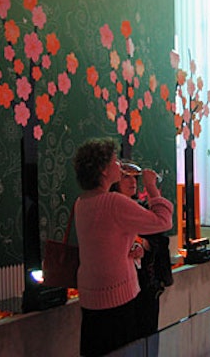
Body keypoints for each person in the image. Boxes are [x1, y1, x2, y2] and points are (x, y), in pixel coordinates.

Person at [73, 138, 173, 357]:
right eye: (114, 160)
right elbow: (163, 221)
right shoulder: (113, 202)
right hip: (117, 296)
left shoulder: (81, 202)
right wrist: (151, 187)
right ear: (103, 170)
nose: (119, 164)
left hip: (90, 296)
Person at [111, 161, 173, 344]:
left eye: (134, 178)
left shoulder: (141, 207)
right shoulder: (110, 207)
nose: (132, 182)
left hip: (146, 283)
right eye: (125, 177)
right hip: (121, 285)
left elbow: (160, 237)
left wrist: (144, 244)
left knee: (148, 336)